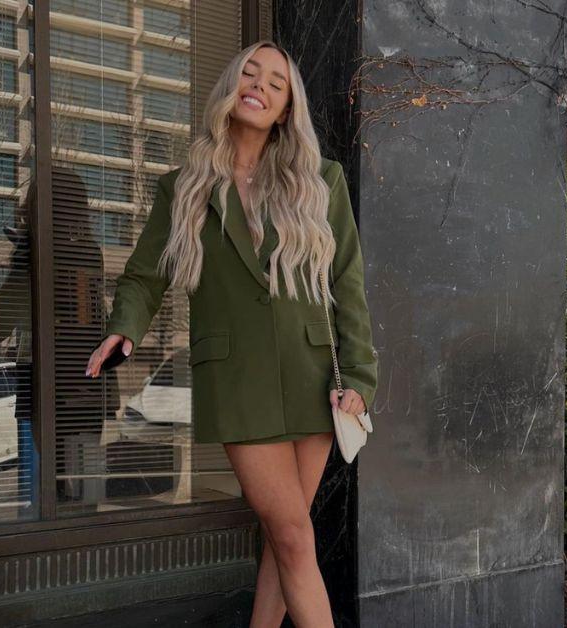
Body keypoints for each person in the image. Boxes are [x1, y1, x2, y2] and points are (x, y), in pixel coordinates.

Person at [84, 40, 378, 627]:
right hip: (237, 380)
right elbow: (145, 275)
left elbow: (347, 281)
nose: (260, 85)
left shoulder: (321, 180)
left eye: (276, 82)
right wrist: (125, 330)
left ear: (287, 107)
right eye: (250, 72)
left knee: (283, 535)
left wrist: (362, 377)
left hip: (313, 375)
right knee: (294, 532)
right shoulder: (184, 186)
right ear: (230, 86)